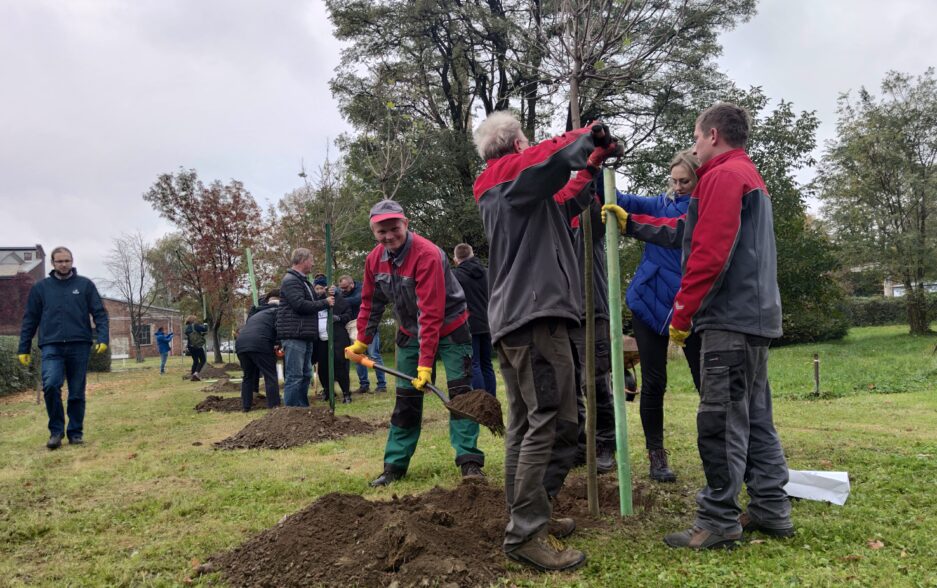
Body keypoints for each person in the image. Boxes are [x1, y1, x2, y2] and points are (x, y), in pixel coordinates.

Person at [606, 103, 793, 549]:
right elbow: (684, 231)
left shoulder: (724, 177)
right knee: (756, 419)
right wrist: (632, 224)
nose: (693, 146)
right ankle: (770, 508)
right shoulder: (746, 176)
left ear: (712, 134)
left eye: (695, 136)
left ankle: (718, 522)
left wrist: (682, 316)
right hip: (755, 319)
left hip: (728, 320)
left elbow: (708, 254)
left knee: (720, 421)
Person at [473, 111, 620, 572]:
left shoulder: (523, 194)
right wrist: (586, 134)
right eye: (526, 141)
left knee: (525, 424)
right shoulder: (506, 177)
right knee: (553, 422)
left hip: (520, 317)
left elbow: (566, 198)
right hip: (534, 316)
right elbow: (547, 158)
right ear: (517, 143)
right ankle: (525, 532)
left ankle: (530, 515)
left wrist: (591, 163)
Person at [345, 199, 485, 487]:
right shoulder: (374, 260)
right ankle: (394, 466)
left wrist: (425, 364)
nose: (389, 236)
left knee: (460, 395)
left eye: (394, 228)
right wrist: (362, 340)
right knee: (406, 400)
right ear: (374, 231)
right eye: (381, 231)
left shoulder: (428, 255)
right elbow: (371, 303)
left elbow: (430, 312)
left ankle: (469, 462)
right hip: (409, 332)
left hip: (450, 327)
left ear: (405, 224)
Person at [599, 150, 704, 483]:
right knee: (654, 383)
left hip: (690, 308)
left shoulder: (704, 210)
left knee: (707, 383)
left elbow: (673, 231)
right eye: (673, 180)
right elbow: (624, 199)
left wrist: (633, 223)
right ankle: (656, 456)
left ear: (699, 178)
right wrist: (597, 177)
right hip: (649, 304)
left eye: (684, 181)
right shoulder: (661, 203)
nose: (677, 186)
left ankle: (717, 449)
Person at [17, 246, 109, 450]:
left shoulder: (85, 285)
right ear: (53, 263)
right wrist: (23, 347)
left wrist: (103, 337)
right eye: (59, 261)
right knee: (50, 386)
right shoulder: (41, 288)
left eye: (67, 260)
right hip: (51, 346)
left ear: (72, 261)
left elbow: (99, 313)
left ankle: (75, 433)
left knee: (76, 392)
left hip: (79, 344)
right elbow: (30, 319)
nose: (64, 264)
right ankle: (56, 432)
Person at [277, 248, 334, 407]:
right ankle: (291, 411)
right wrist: (325, 303)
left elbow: (312, 300)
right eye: (311, 259)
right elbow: (300, 305)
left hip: (305, 334)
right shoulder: (291, 280)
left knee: (306, 374)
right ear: (303, 260)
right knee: (295, 376)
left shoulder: (303, 281)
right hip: (295, 334)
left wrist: (324, 296)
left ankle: (302, 409)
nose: (313, 263)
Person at [451, 243, 495, 397]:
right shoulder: (488, 273)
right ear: (472, 254)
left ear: (456, 259)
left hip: (468, 323)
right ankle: (492, 399)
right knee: (487, 364)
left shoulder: (455, 276)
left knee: (474, 364)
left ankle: (482, 401)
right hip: (488, 322)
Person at [235, 289, 282, 411]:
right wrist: (278, 343)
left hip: (241, 344)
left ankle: (246, 406)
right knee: (270, 375)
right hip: (260, 343)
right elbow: (279, 328)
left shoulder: (256, 313)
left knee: (247, 376)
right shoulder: (278, 311)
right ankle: (274, 406)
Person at [339, 274, 387, 394]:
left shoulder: (362, 288)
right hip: (354, 328)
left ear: (352, 284)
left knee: (374, 355)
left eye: (345, 288)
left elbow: (358, 299)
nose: (344, 291)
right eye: (342, 288)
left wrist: (340, 300)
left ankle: (382, 385)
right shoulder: (343, 292)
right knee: (356, 356)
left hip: (369, 327)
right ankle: (364, 385)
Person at [312, 277, 354, 404]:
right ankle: (328, 391)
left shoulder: (339, 300)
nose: (319, 291)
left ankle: (346, 393)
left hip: (337, 339)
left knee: (340, 366)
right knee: (323, 368)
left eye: (321, 288)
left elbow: (348, 315)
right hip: (321, 340)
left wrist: (338, 318)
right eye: (317, 288)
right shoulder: (315, 302)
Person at [184, 316, 208, 381]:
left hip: (190, 346)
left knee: (195, 361)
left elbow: (193, 335)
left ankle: (192, 375)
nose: (196, 321)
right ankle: (196, 374)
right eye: (195, 319)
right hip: (197, 346)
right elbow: (205, 329)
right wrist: (205, 323)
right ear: (193, 320)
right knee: (203, 360)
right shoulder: (195, 326)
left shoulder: (186, 328)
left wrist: (200, 335)